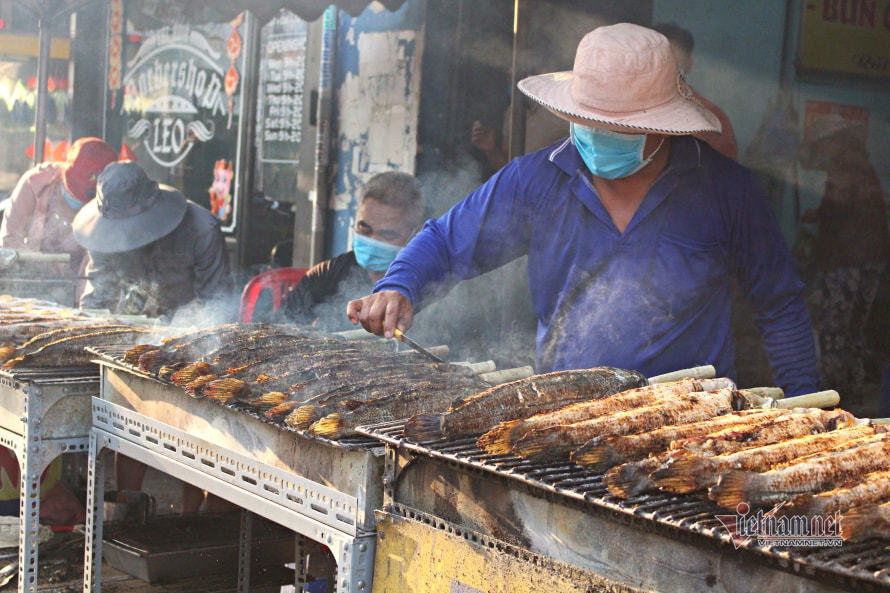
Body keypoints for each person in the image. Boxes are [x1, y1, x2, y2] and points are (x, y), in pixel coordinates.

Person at [347, 23, 820, 396]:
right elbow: (448, 242)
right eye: (591, 122)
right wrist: (399, 285)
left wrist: (804, 401)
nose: (600, 134)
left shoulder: (727, 190)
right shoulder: (534, 179)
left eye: (622, 127)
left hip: (694, 423)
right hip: (565, 416)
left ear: (663, 127)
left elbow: (780, 305)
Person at [798, 114, 889, 404]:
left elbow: (840, 204)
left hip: (847, 263)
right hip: (868, 261)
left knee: (834, 328)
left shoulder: (845, 167)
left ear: (833, 142)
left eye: (824, 145)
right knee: (854, 329)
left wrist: (818, 216)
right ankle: (853, 389)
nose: (822, 151)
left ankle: (833, 392)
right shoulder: (861, 165)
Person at [73, 161, 232, 317]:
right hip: (133, 324)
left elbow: (215, 304)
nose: (127, 233)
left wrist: (180, 325)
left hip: (188, 327)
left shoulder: (202, 230)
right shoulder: (103, 234)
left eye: (132, 226)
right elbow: (98, 296)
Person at [280, 172, 424, 332]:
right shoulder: (328, 274)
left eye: (387, 234)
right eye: (365, 229)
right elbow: (283, 325)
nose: (373, 241)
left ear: (415, 235)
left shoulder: (430, 286)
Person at [0, 137, 118, 274]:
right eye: (72, 192)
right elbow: (10, 238)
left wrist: (83, 293)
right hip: (32, 273)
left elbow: (98, 264)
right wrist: (33, 272)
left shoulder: (111, 208)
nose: (75, 203)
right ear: (65, 173)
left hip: (79, 278)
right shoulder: (35, 183)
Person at [652, 22, 738, 160]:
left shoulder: (711, 118)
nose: (661, 67)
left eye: (672, 59)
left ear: (688, 65)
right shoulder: (617, 108)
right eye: (654, 59)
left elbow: (727, 176)